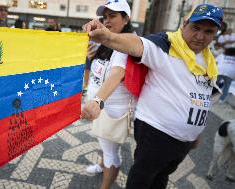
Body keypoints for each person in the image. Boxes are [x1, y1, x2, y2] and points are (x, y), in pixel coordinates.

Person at [83, 3, 223, 189]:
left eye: (208, 31)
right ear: (184, 23)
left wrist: (196, 131)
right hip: (156, 134)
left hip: (184, 141)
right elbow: (137, 44)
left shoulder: (209, 59)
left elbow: (205, 96)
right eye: (195, 28)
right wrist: (108, 37)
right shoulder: (166, 44)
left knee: (161, 177)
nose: (200, 36)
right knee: (141, 179)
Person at [81, 1, 135, 188]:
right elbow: (101, 70)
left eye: (113, 16)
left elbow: (117, 73)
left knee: (112, 152)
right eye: (105, 16)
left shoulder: (126, 42)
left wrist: (97, 100)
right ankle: (102, 165)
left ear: (126, 19)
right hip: (101, 105)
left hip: (111, 108)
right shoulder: (108, 41)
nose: (107, 20)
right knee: (105, 145)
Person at [216, 26, 235, 102]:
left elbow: (215, 62)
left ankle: (209, 96)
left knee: (215, 84)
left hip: (220, 70)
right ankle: (221, 100)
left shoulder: (222, 55)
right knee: (226, 87)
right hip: (230, 73)